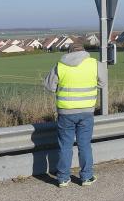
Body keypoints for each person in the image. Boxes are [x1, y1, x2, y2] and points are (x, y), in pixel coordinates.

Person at [43, 44, 105, 187]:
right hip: (86, 112)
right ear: (84, 51)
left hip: (66, 113)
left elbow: (49, 86)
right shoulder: (95, 64)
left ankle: (63, 178)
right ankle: (86, 177)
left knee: (65, 145)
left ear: (69, 52)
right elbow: (103, 83)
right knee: (84, 145)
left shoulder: (60, 65)